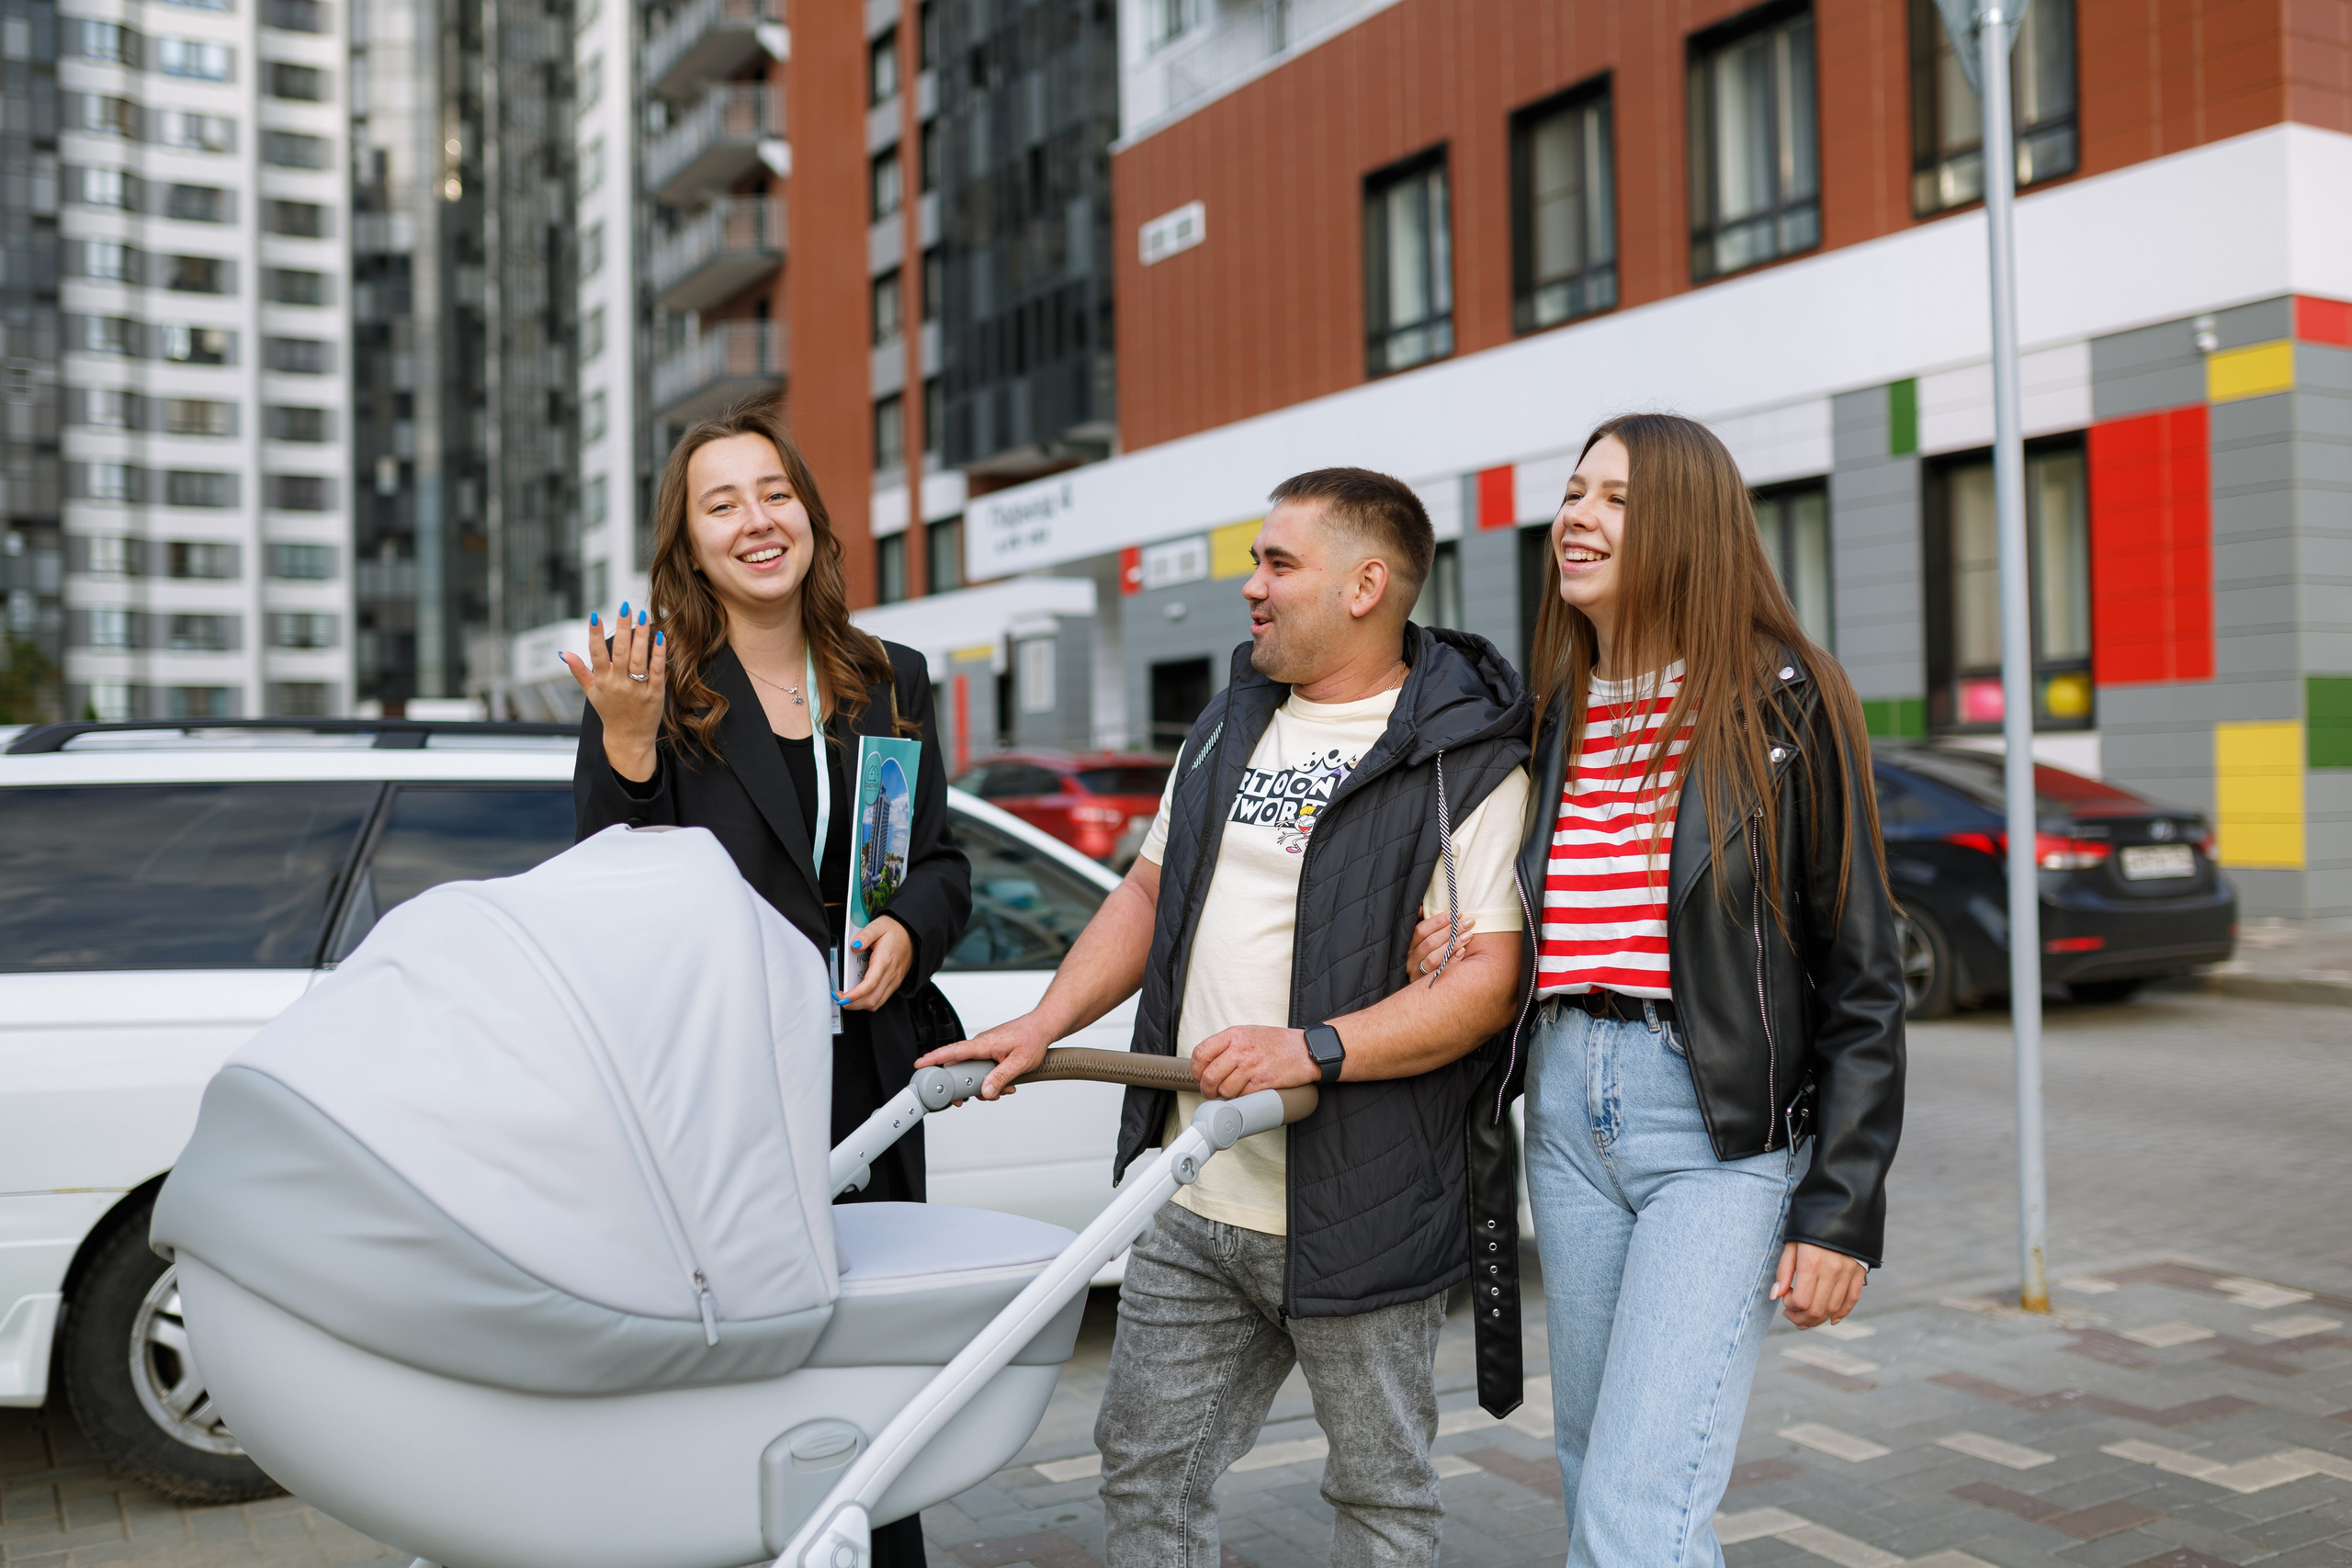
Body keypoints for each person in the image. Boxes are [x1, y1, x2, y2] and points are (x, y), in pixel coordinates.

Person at [920, 468, 1532, 1568]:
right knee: (1147, 1467)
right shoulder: (1231, 718)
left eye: (1276, 563)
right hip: (1192, 1186)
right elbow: (1150, 893)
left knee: (1382, 1495)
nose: (1249, 587)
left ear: (1365, 584)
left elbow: (1483, 980)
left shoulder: (1465, 757)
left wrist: (1310, 1048)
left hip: (1361, 1201)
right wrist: (1044, 1022)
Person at [1412, 413, 1904, 1566]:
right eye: (1574, 492)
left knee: (1640, 1499)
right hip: (1566, 1113)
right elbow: (1550, 919)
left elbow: (1864, 974)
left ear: (1685, 523)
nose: (1575, 518)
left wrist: (1843, 1208)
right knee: (1598, 1467)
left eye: (1616, 499)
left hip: (1716, 1133)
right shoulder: (1551, 713)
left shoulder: (1785, 698)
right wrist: (1459, 940)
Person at [566, 401, 969, 1568]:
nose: (757, 521)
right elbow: (614, 893)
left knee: (878, 1382)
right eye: (722, 503)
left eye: (774, 493)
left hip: (871, 1081)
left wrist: (905, 926)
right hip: (728, 1102)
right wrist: (631, 749)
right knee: (746, 1382)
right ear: (687, 545)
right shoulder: (651, 684)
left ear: (810, 514)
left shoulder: (887, 678)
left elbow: (941, 867)